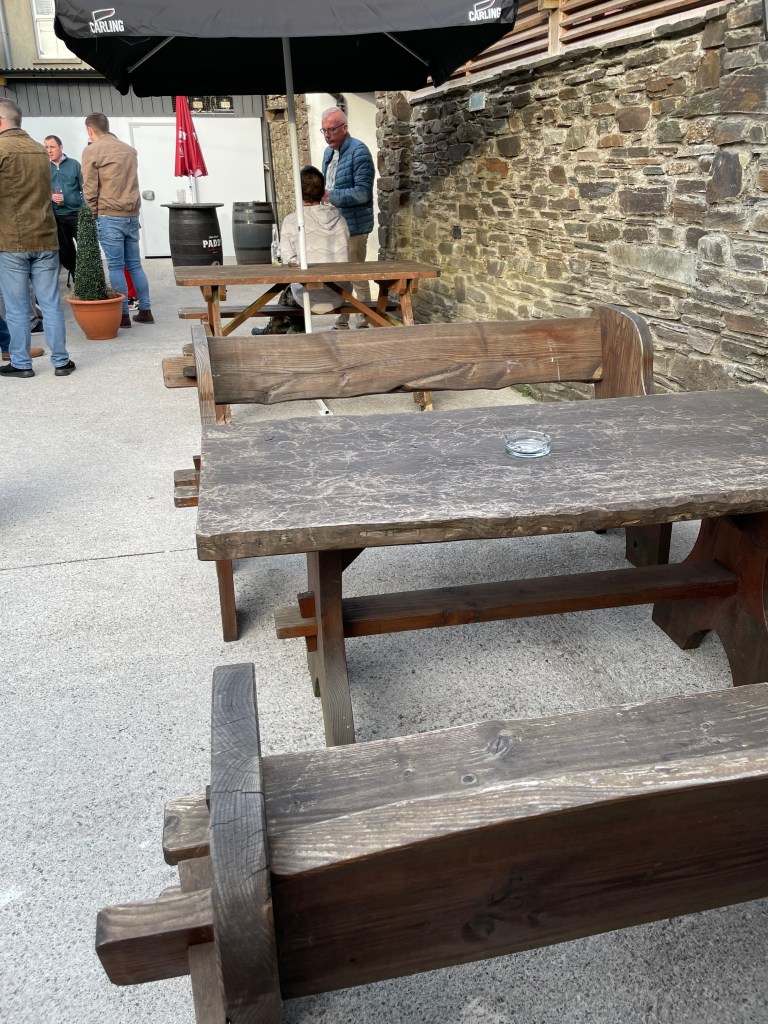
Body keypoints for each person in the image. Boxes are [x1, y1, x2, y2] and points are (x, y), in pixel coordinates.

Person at [0, 99, 74, 378]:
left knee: (18, 307)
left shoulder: (2, 149)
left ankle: (21, 363)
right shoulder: (39, 150)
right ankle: (61, 362)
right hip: (45, 237)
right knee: (52, 303)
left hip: (12, 241)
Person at [253, 166, 350, 335]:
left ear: (298, 192)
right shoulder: (340, 219)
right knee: (294, 289)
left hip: (307, 298)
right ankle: (280, 330)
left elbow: (288, 261)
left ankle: (279, 331)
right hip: (340, 293)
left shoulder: (292, 221)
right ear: (322, 192)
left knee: (292, 289)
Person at [81, 112, 153, 329]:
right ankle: (146, 310)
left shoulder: (92, 150)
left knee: (115, 266)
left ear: (90, 130)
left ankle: (122, 316)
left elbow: (90, 187)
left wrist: (93, 214)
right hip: (131, 215)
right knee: (134, 265)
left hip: (109, 214)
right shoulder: (129, 150)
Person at [320, 106, 374, 330]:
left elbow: (363, 193)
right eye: (323, 131)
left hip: (354, 226)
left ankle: (364, 323)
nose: (327, 135)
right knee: (339, 277)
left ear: (344, 128)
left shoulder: (359, 151)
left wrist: (330, 196)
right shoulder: (327, 153)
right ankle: (341, 321)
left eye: (331, 129)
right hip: (333, 225)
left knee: (357, 276)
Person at [45, 133, 83, 283]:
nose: (49, 150)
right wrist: (50, 196)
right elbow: (39, 189)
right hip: (57, 216)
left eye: (52, 147)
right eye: (46, 147)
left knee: (85, 249)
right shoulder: (43, 167)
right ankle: (77, 282)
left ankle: (87, 282)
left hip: (76, 214)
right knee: (66, 253)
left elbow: (85, 187)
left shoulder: (74, 164)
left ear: (61, 147)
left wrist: (85, 209)